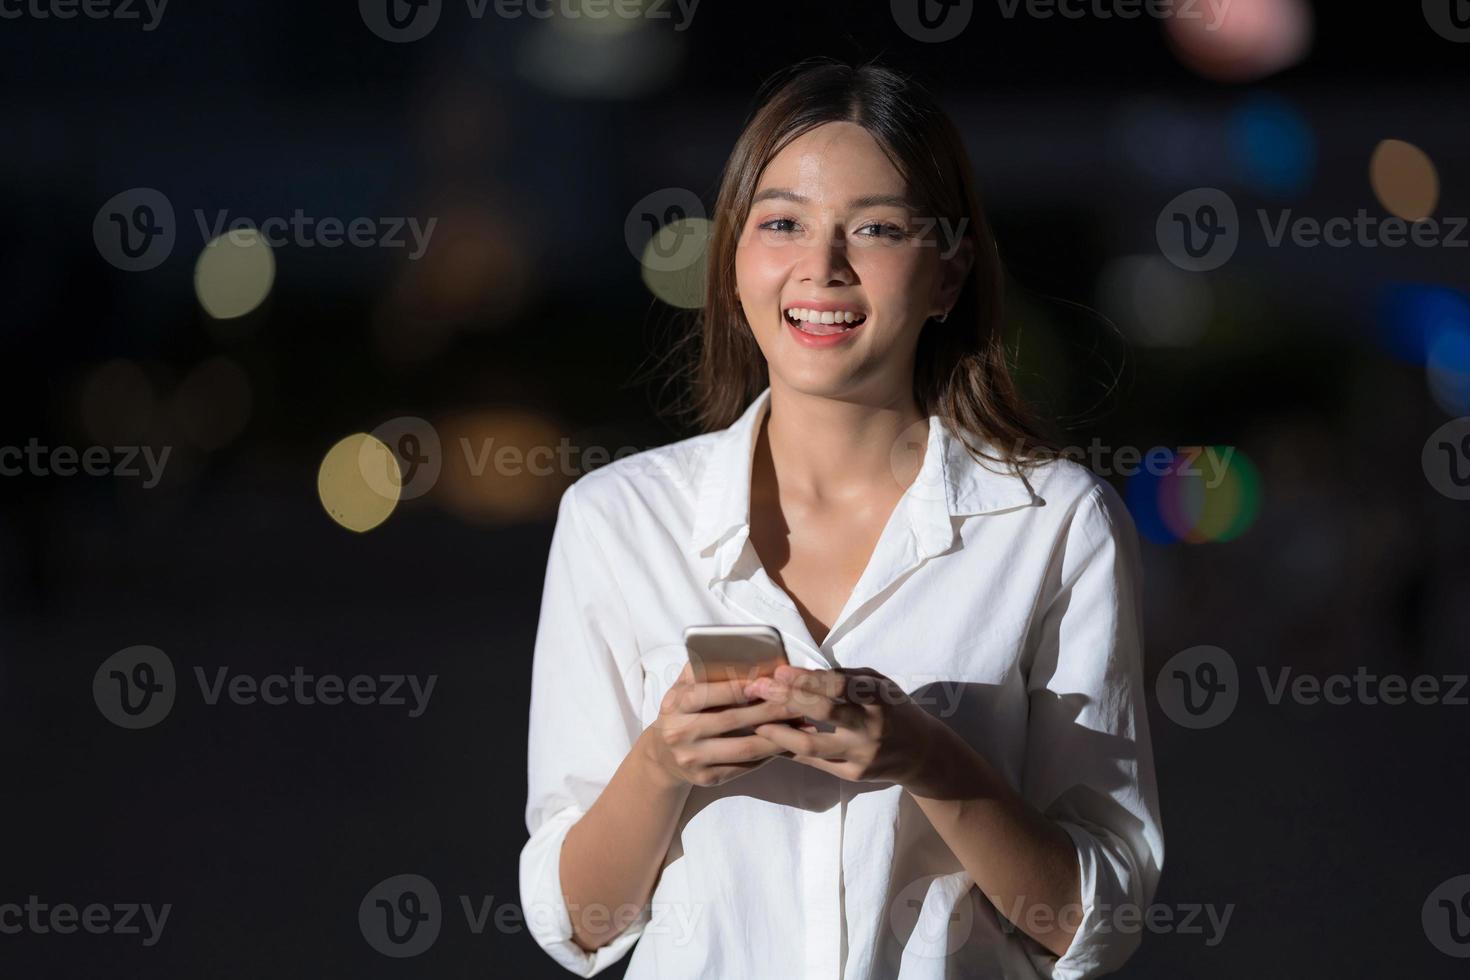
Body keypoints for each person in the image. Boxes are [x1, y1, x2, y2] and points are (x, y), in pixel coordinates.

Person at [519, 56, 1163, 979]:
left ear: (948, 273)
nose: (820, 267)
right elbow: (578, 924)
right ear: (735, 260)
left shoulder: (1055, 523)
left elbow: (1086, 923)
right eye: (781, 222)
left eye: (875, 228)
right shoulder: (617, 519)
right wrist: (662, 763)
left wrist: (929, 758)